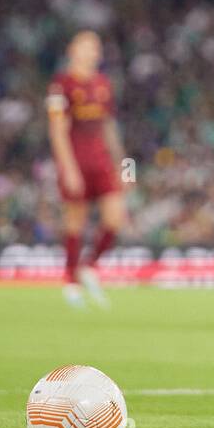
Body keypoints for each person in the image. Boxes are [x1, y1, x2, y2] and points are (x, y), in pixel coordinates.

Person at [46, 31, 127, 309]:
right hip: (76, 161)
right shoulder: (61, 86)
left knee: (115, 218)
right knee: (75, 222)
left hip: (101, 161)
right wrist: (67, 169)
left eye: (96, 47)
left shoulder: (103, 84)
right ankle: (70, 283)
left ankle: (89, 266)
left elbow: (109, 127)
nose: (92, 52)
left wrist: (122, 165)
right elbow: (57, 129)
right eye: (86, 46)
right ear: (72, 50)